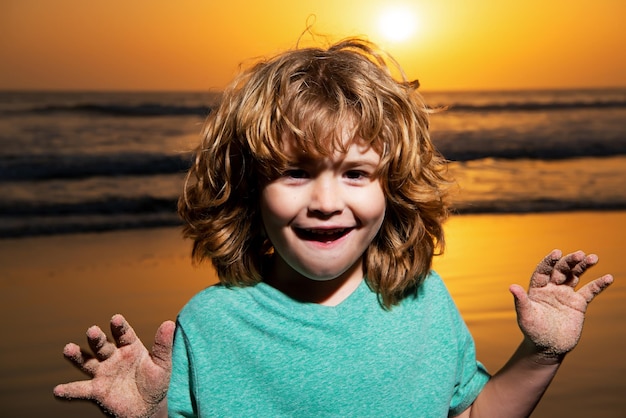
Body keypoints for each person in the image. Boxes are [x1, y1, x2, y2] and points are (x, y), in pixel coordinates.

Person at [53, 38, 613, 418]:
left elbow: (474, 412)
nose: (326, 201)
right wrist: (152, 413)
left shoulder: (423, 305)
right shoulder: (211, 323)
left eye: (355, 173)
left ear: (391, 189)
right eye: (294, 172)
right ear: (248, 190)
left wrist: (541, 352)